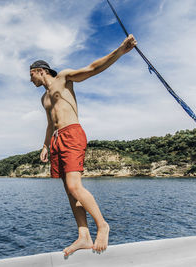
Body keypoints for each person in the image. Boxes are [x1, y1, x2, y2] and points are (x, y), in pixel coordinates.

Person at [30, 34, 137, 256]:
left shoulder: (63, 77)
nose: (31, 80)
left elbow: (92, 69)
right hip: (57, 139)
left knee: (74, 186)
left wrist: (120, 51)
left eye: (31, 75)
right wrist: (45, 146)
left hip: (72, 134)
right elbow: (50, 123)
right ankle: (83, 236)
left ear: (41, 70)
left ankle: (102, 226)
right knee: (70, 192)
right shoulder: (44, 99)